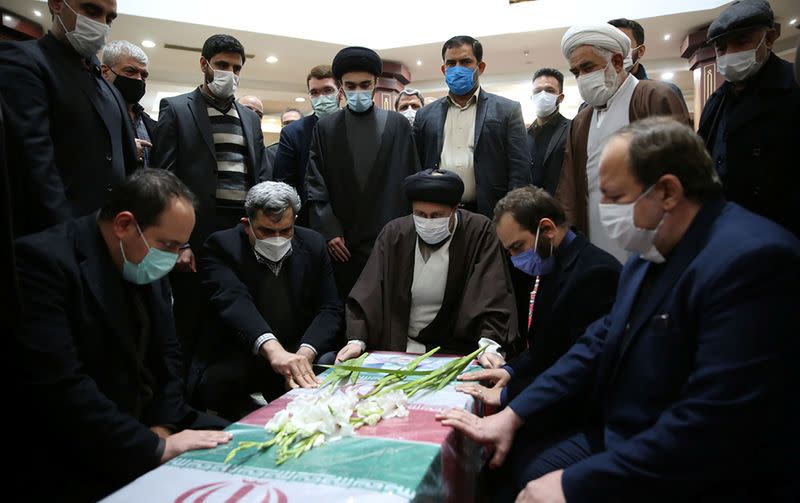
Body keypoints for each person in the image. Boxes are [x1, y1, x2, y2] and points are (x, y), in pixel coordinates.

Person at [438, 117, 800, 503]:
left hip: (695, 466)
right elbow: (598, 343)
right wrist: (516, 412)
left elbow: (718, 423)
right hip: (621, 432)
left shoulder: (753, 260)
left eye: (613, 196)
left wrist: (575, 485)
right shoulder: (649, 253)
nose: (603, 209)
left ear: (667, 191)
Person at [12, 169, 232, 501]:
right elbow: (60, 386)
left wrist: (164, 427)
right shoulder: (43, 263)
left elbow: (170, 356)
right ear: (124, 224)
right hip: (85, 440)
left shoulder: (143, 255)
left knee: (247, 447)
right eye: (168, 245)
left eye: (180, 246)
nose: (173, 258)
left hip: (154, 421)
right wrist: (151, 446)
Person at [151, 34, 268, 362]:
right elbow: (165, 180)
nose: (229, 73)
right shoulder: (175, 109)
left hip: (242, 232)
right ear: (204, 64)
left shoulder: (249, 118)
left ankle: (228, 392)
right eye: (221, 65)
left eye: (235, 67)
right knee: (191, 318)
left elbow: (259, 177)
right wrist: (179, 243)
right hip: (197, 232)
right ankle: (185, 398)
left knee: (238, 315)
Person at [189, 182, 343, 420]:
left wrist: (305, 353)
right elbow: (234, 302)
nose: (277, 238)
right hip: (243, 355)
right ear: (246, 225)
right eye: (266, 232)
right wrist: (273, 351)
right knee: (219, 384)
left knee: (328, 369)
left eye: (285, 230)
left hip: (295, 350)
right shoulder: (221, 246)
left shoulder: (312, 244)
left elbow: (330, 307)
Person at [457, 186, 620, 408]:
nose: (515, 259)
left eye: (518, 247)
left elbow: (578, 365)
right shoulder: (552, 264)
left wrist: (510, 396)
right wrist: (510, 371)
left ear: (547, 229)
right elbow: (544, 348)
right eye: (509, 251)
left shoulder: (595, 273)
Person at [337, 169, 517, 366]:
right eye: (420, 214)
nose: (428, 221)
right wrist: (357, 339)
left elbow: (491, 293)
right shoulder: (395, 233)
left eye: (437, 215)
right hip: (399, 346)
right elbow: (368, 292)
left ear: (455, 209)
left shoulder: (479, 231)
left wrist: (489, 346)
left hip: (456, 349)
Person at [0, 0, 138, 237]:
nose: (101, 24)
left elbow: (126, 167)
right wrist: (68, 242)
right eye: (91, 10)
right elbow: (36, 170)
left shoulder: (109, 87)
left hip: (111, 237)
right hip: (56, 240)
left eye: (109, 18)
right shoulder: (24, 62)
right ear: (56, 4)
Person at [556, 24, 690, 264]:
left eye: (588, 67)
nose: (582, 78)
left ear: (617, 61)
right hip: (595, 235)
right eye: (576, 72)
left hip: (650, 237)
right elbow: (569, 186)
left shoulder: (653, 97)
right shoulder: (581, 120)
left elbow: (682, 174)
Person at [306, 46, 420, 298]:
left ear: (376, 83)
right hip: (343, 244)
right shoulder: (326, 128)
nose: (358, 91)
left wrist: (406, 231)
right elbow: (316, 183)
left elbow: (411, 180)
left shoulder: (398, 125)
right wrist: (330, 230)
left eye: (365, 84)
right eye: (351, 85)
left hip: (390, 238)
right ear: (340, 85)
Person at [697, 0, 800, 237]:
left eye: (741, 42)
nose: (730, 53)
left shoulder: (793, 88)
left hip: (780, 236)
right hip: (722, 230)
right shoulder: (716, 101)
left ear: (770, 38)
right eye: (721, 48)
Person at [414, 35, 531, 218]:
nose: (457, 68)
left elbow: (520, 172)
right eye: (451, 63)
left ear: (480, 67)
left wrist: (513, 217)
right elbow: (418, 166)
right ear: (444, 69)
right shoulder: (426, 114)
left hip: (491, 213)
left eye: (465, 61)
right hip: (438, 214)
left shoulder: (507, 110)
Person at [274, 64, 341, 225]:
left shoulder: (354, 127)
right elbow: (284, 185)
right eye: (315, 92)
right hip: (308, 221)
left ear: (341, 92)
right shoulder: (293, 133)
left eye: (328, 90)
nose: (321, 97)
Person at [101, 40, 156, 169]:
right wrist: (124, 150)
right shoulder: (91, 113)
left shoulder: (151, 124)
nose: (138, 79)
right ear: (105, 72)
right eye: (130, 71)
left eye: (144, 75)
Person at [607, 18, 686, 102]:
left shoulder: (663, 94)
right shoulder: (595, 97)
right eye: (608, 45)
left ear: (640, 51)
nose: (614, 52)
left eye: (622, 44)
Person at [527, 68, 570, 196]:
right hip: (527, 209)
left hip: (558, 208)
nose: (543, 95)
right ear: (532, 97)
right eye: (537, 91)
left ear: (560, 97)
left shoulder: (572, 129)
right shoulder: (523, 134)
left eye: (550, 90)